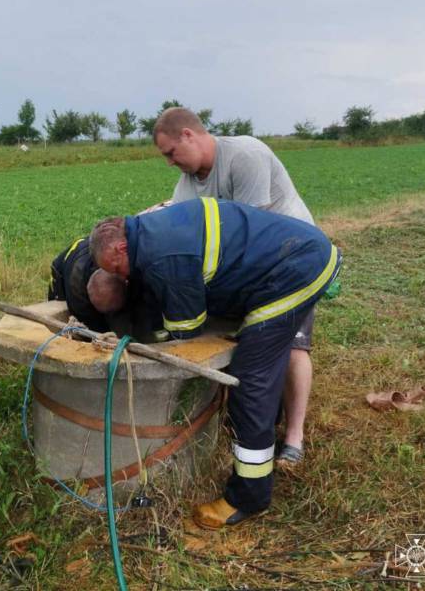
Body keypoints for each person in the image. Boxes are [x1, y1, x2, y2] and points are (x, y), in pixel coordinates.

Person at [88, 198, 340, 529]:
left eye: (117, 269)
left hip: (296, 269)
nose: (121, 277)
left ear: (121, 247)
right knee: (261, 351)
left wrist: (154, 337)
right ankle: (270, 424)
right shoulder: (150, 231)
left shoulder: (164, 257)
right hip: (296, 255)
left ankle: (248, 496)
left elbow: (188, 327)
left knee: (250, 381)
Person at [153, 107, 316, 467]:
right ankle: (252, 417)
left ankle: (294, 436)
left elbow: (246, 232)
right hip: (250, 269)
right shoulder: (190, 179)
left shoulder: (245, 156)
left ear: (188, 136)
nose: (169, 162)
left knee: (290, 345)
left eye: (170, 153)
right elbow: (179, 221)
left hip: (293, 261)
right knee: (246, 341)